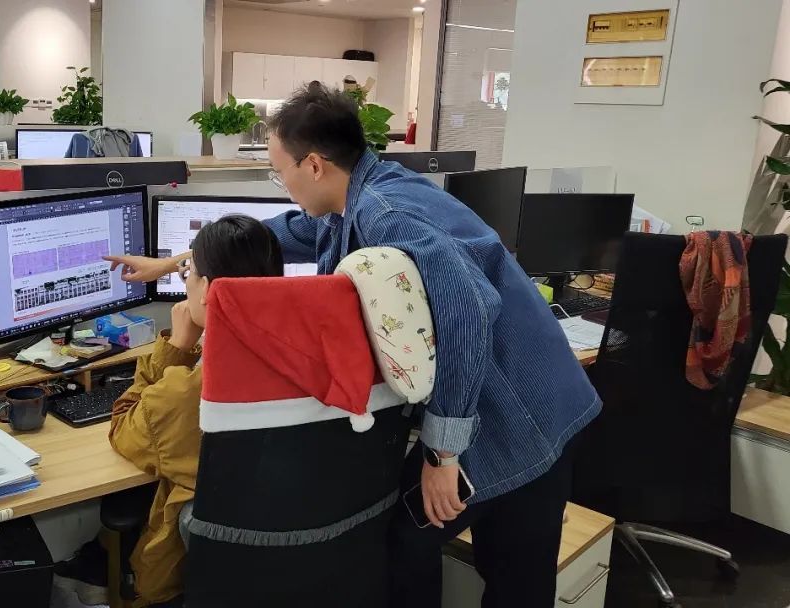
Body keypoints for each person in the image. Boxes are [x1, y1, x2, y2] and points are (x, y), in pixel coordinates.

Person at [104, 82, 601, 608]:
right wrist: (178, 261)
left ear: (314, 165)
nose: (281, 184)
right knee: (467, 562)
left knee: (430, 548)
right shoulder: (358, 197)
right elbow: (278, 233)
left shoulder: (386, 213)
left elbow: (467, 308)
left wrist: (442, 453)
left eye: (279, 171)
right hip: (528, 393)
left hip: (518, 412)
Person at [97, 215, 284, 608]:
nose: (185, 282)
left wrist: (177, 347)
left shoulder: (186, 392)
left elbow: (123, 429)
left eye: (190, 273)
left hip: (189, 576)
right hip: (296, 566)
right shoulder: (301, 364)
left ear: (209, 291)